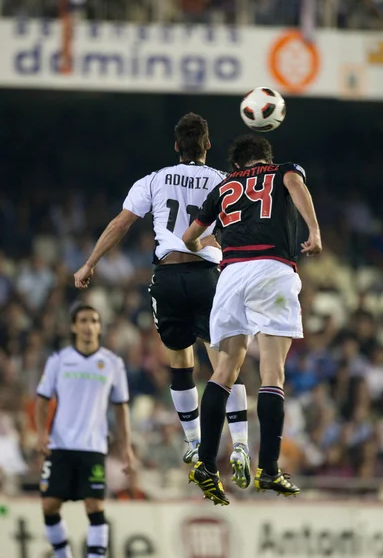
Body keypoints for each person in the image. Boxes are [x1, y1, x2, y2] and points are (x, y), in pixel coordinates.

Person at [73, 113, 251, 488]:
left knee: (180, 361)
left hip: (167, 278)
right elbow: (237, 233)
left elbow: (120, 223)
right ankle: (240, 445)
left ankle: (192, 442)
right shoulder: (224, 182)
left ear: (175, 146)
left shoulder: (154, 180)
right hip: (207, 277)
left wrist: (90, 263)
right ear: (207, 145)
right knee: (224, 362)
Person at [183, 134, 322, 505]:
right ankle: (270, 469)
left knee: (223, 371)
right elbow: (295, 184)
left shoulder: (225, 186)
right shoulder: (283, 171)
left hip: (230, 277)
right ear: (265, 158)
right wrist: (314, 229)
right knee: (272, 373)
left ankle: (207, 464)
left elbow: (190, 236)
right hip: (272, 269)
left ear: (236, 165)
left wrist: (208, 245)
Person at [35, 304, 134, 558]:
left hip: (93, 445)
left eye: (93, 321)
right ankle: (62, 555)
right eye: (83, 320)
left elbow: (121, 408)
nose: (88, 326)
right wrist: (41, 434)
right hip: (60, 444)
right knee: (49, 505)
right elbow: (42, 399)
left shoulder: (112, 363)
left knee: (95, 505)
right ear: (73, 326)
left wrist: (126, 448)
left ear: (99, 327)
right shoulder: (59, 361)